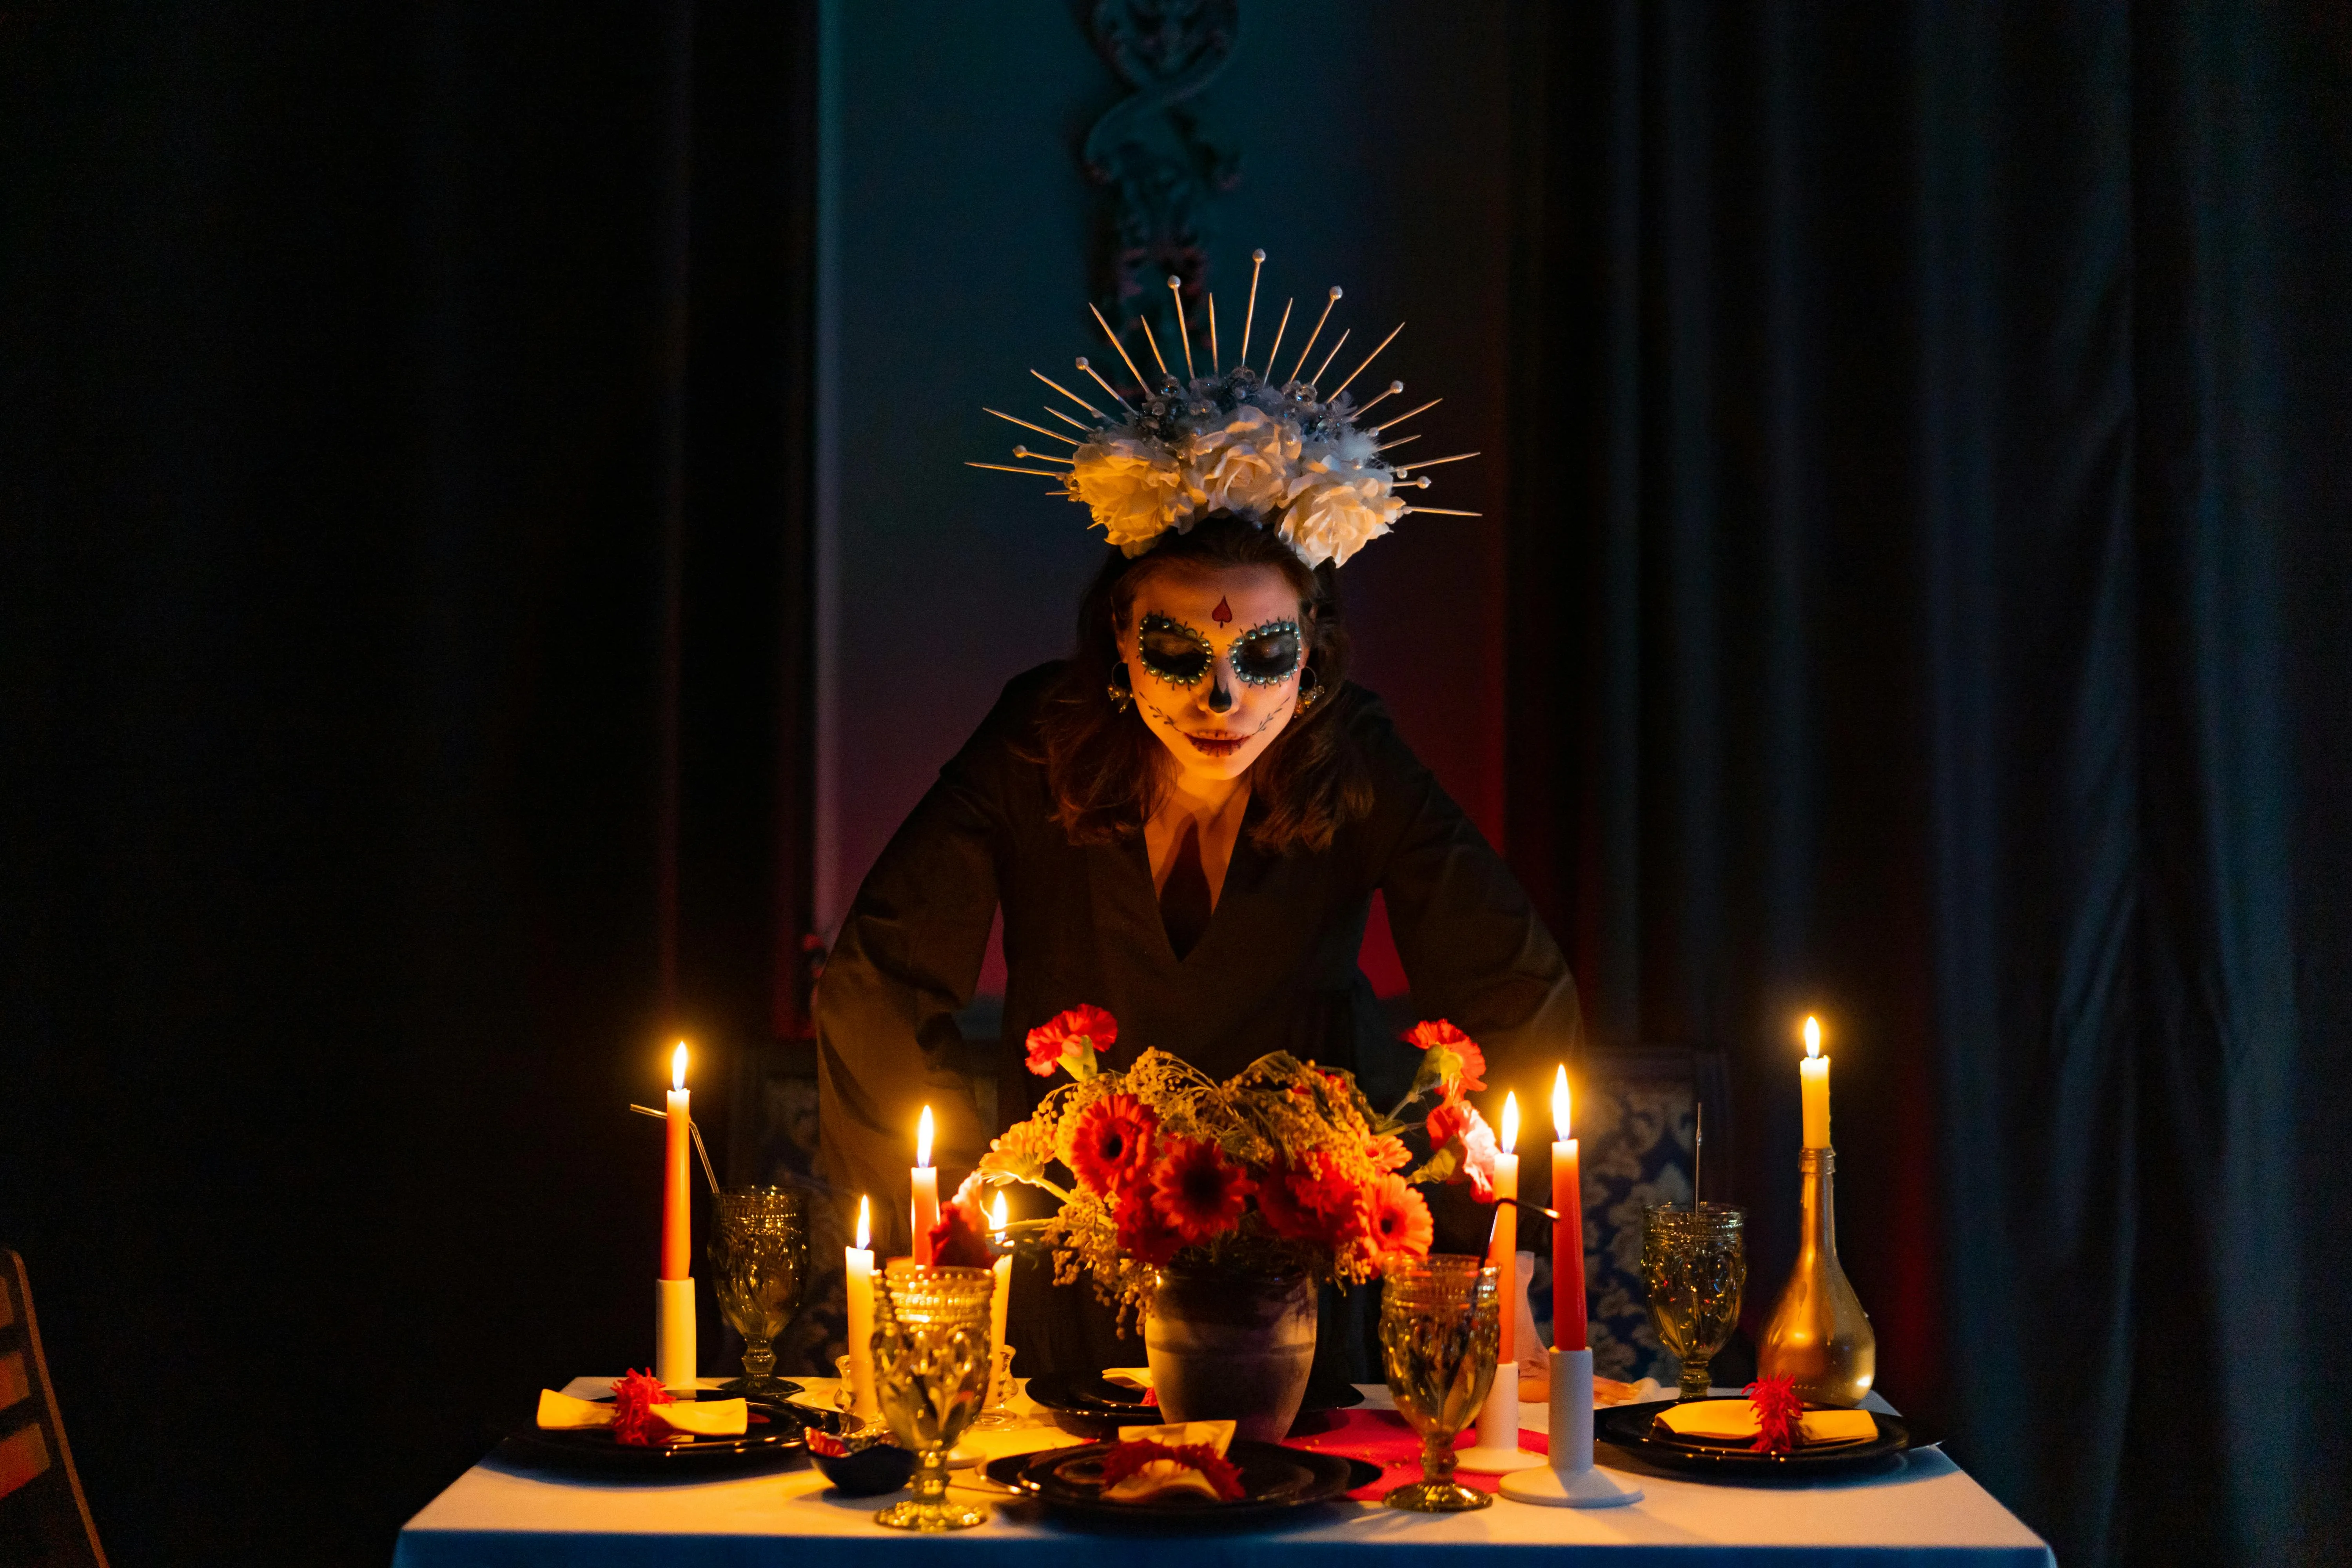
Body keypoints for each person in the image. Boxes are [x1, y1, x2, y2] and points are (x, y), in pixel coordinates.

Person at [814, 260, 1581, 1376]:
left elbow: (1521, 992)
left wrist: (1463, 1242)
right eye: (1179, 653)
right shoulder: (1038, 736)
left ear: (1310, 659)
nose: (1222, 700)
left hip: (1301, 1270)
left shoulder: (1354, 750)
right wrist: (942, 1227)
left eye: (1262, 655)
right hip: (1073, 1260)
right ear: (1120, 650)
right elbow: (876, 979)